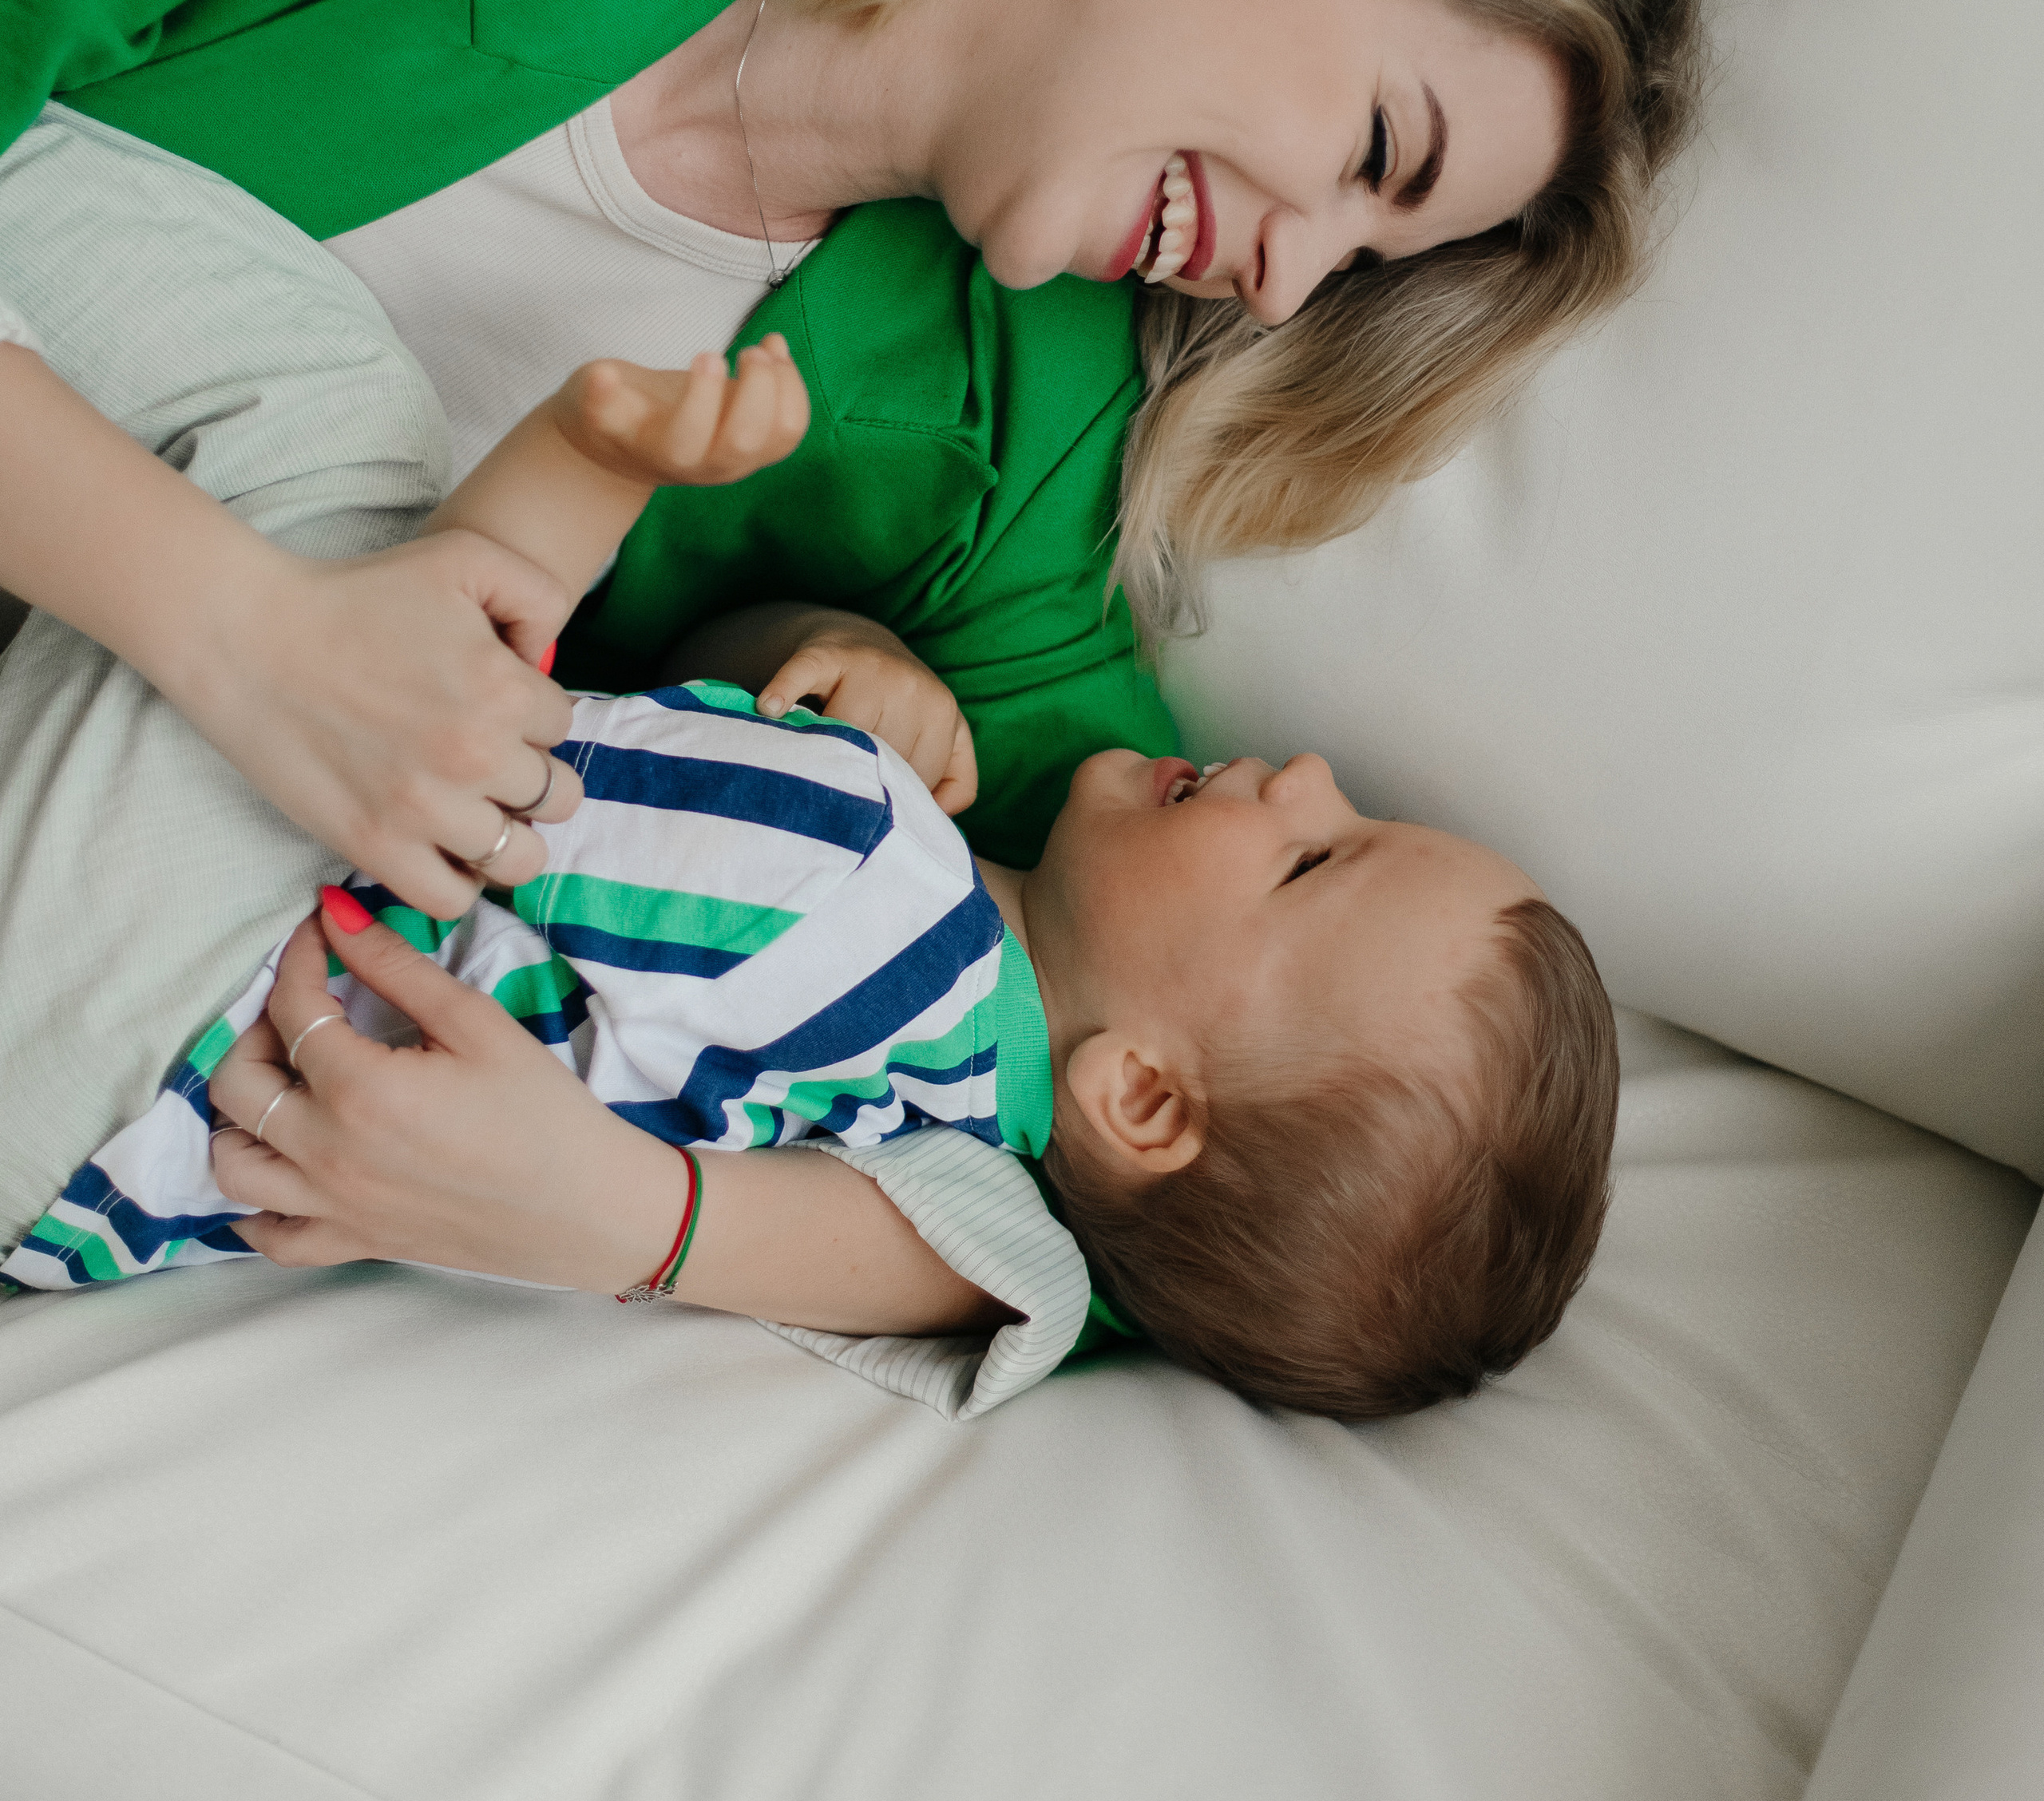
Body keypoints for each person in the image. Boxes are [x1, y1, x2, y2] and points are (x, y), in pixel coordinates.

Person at [0, 0, 1703, 1377]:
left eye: (1372, 260)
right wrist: (239, 634)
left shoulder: (1017, 462)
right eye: (1375, 156)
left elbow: (1218, 1187)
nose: (1289, 290)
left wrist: (643, 1228)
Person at [6, 334, 1617, 1426]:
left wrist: (589, 464)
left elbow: (454, 717)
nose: (1309, 771)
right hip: (88, 1189)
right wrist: (811, 661)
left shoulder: (864, 873)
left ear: (1140, 1104)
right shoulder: (947, 1138)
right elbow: (1033, 1284)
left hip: (149, 974)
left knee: (326, 403)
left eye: (1316, 858)